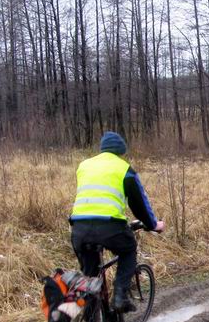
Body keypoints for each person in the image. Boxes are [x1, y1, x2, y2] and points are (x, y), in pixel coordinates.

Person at [70, 131, 164, 312]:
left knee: (90, 275)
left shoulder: (84, 165)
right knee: (128, 250)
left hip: (79, 228)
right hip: (110, 226)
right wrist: (153, 225)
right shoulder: (124, 169)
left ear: (102, 148)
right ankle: (120, 297)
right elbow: (139, 205)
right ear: (122, 151)